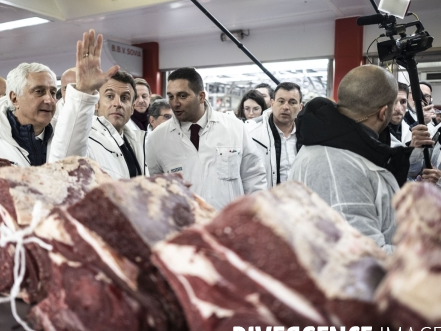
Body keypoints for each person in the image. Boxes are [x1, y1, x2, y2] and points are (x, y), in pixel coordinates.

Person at [288, 65, 413, 254]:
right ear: (383, 112)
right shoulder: (340, 166)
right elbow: (362, 255)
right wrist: (427, 255)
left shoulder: (324, 143)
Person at [146, 67, 266, 210]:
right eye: (171, 96)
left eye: (182, 96)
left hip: (228, 225)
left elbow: (253, 178)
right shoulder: (157, 139)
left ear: (201, 96)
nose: (175, 103)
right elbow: (157, 190)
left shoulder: (235, 128)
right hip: (186, 227)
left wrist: (252, 216)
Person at [49, 30, 147, 179]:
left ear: (132, 108)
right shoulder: (85, 137)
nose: (117, 103)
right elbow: (64, 162)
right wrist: (83, 93)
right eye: (109, 96)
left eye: (125, 98)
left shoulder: (137, 141)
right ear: (96, 104)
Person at [249, 82, 303, 187]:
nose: (286, 107)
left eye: (292, 102)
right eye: (281, 101)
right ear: (272, 103)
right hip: (268, 200)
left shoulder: (307, 135)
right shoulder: (254, 136)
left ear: (300, 107)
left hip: (300, 200)